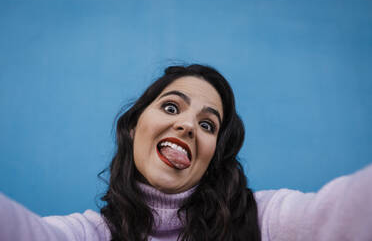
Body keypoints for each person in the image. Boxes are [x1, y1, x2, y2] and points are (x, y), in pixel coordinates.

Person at [1, 64, 371, 241]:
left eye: (208, 125)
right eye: (172, 107)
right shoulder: (94, 234)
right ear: (134, 127)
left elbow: (340, 214)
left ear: (213, 158)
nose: (189, 126)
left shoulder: (263, 221)